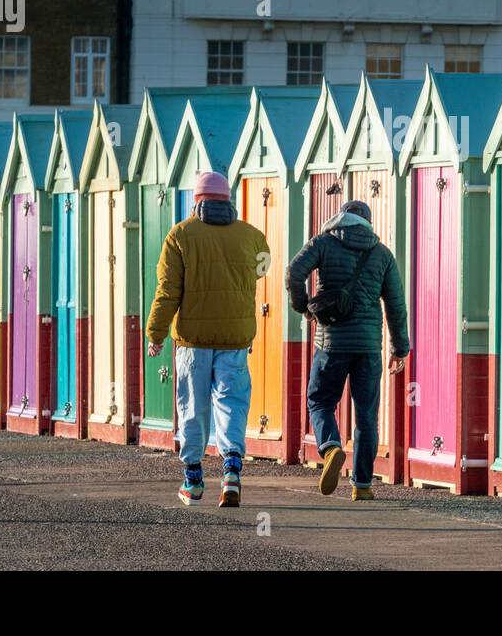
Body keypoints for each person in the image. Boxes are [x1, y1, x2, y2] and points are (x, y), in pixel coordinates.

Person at [145, 171, 269, 508]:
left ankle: (194, 479)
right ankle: (231, 470)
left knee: (193, 406)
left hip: (193, 340)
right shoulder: (253, 237)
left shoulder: (180, 236)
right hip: (235, 338)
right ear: (227, 199)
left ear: (197, 200)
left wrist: (156, 333)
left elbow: (167, 291)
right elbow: (263, 269)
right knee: (232, 403)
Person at [286, 199, 409, 501]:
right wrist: (400, 347)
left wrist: (304, 307)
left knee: (320, 400)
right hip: (368, 346)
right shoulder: (382, 254)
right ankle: (363, 485)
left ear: (340, 217)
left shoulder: (324, 242)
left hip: (331, 343)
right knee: (367, 415)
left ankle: (330, 448)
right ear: (368, 222)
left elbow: (293, 273)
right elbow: (395, 304)